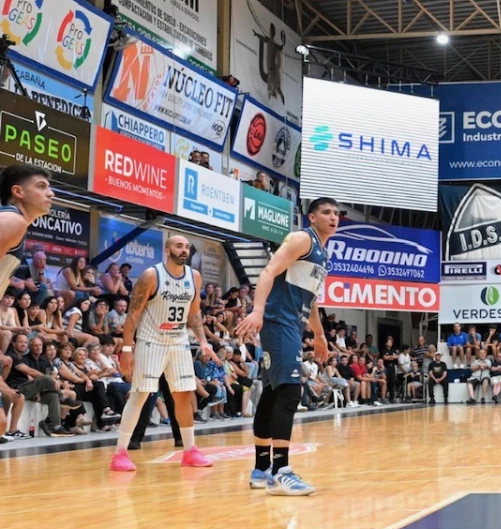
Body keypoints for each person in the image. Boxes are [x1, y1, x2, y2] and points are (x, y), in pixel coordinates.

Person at [234, 198, 338, 496]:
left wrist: (319, 336)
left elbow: (312, 300)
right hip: (278, 320)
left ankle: (261, 468)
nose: (333, 218)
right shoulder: (301, 239)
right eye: (327, 213)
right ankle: (281, 472)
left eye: (336, 214)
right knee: (291, 391)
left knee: (272, 392)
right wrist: (257, 310)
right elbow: (268, 271)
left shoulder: (321, 252)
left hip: (292, 323)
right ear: (312, 217)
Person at [109, 236, 218, 472]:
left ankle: (189, 450)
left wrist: (202, 340)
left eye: (187, 247)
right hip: (151, 341)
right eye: (179, 246)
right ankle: (120, 453)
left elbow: (194, 312)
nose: (184, 250)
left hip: (179, 341)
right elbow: (133, 315)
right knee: (140, 395)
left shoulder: (194, 276)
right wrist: (127, 349)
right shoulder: (151, 276)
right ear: (167, 250)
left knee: (183, 395)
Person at [0, 164, 55, 529]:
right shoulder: (12, 222)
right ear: (17, 192)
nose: (49, 192)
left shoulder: (14, 224)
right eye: (41, 186)